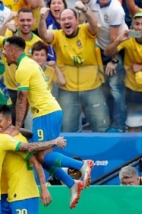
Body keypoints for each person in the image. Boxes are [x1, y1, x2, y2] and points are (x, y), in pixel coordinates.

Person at [2, 36, 94, 209]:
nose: (4, 54)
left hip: (46, 113)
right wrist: (18, 125)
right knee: (41, 157)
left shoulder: (23, 68)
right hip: (46, 112)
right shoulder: (28, 64)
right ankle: (72, 184)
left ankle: (82, 165)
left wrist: (16, 127)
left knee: (42, 156)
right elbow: (26, 98)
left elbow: (22, 99)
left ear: (13, 51)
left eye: (5, 50)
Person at [38, 4, 110, 132]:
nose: (66, 21)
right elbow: (44, 35)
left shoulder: (85, 30)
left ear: (77, 20)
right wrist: (42, 19)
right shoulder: (58, 35)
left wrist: (84, 9)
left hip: (93, 88)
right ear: (60, 22)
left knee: (101, 126)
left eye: (70, 18)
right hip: (68, 90)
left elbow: (94, 25)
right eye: (63, 19)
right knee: (67, 128)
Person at [0, 104, 51, 214]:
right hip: (9, 194)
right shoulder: (2, 140)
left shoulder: (17, 140)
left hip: (23, 193)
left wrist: (43, 188)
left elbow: (36, 164)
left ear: (9, 121)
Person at [104, 12, 142, 132]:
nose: (140, 27)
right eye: (137, 24)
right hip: (134, 90)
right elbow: (107, 52)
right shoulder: (128, 37)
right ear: (133, 25)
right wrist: (119, 40)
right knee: (133, 127)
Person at [81, 0, 128, 133]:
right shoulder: (93, 3)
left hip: (116, 49)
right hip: (100, 50)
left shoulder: (116, 9)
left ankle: (119, 126)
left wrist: (114, 60)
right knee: (105, 89)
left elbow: (115, 39)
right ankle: (108, 121)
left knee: (116, 90)